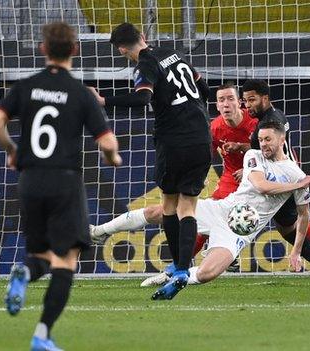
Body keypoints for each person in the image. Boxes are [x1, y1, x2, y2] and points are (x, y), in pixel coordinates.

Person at [90, 83, 310, 282]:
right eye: (220, 100)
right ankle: (175, 266)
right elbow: (210, 154)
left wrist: (244, 152)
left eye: (232, 99)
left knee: (289, 226)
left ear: (240, 104)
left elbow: (267, 151)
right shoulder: (215, 128)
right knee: (177, 213)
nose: (226, 104)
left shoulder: (259, 125)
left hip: (270, 182)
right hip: (236, 181)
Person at [0, 22, 121, 350]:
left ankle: (24, 272)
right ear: (75, 50)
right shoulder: (80, 93)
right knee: (66, 260)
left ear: (42, 49)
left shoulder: (26, 86)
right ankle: (42, 336)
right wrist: (114, 158)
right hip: (64, 181)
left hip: (30, 180)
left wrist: (12, 151)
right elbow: (106, 141)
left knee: (42, 256)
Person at [94, 120, 310, 297]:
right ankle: (101, 230)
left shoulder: (295, 173)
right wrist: (297, 185)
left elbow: (304, 216)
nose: (263, 144)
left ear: (282, 138)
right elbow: (261, 186)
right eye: (260, 139)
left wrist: (295, 251)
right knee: (157, 212)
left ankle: (174, 281)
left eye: (268, 139)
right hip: (221, 210)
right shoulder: (253, 156)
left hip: (238, 232)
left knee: (208, 273)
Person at [89, 23, 212, 299]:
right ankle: (182, 268)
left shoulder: (144, 65)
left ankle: (180, 269)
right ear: (143, 37)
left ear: (122, 49)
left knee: (169, 205)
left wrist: (103, 100)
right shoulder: (173, 53)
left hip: (174, 141)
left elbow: (143, 98)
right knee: (188, 208)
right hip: (202, 137)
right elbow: (203, 87)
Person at [242, 79, 310, 279]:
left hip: (280, 178)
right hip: (284, 175)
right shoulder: (275, 115)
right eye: (245, 101)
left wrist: (250, 169)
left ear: (265, 98)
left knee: (290, 224)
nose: (248, 105)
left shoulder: (268, 124)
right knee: (287, 226)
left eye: (252, 100)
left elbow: (268, 154)